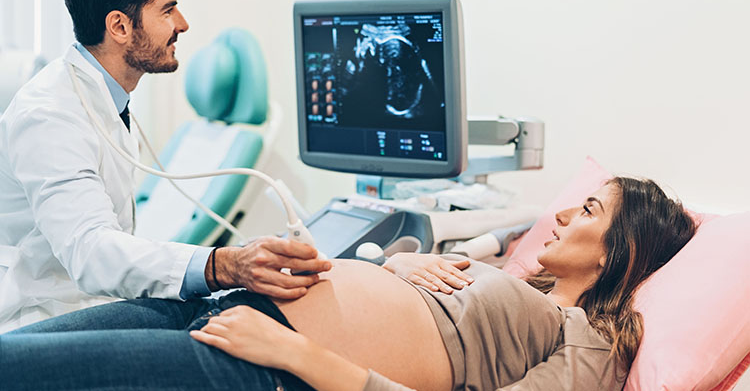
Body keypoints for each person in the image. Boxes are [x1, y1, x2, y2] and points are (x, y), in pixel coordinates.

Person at [0, 177, 696, 390]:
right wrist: (397, 264)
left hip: (263, 362)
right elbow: (465, 242)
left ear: (619, 255)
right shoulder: (525, 288)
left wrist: (298, 357)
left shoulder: (597, 342)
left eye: (591, 212)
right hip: (226, 308)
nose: (565, 213)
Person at [0, 0, 330, 333]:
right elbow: (91, 253)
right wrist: (223, 266)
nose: (183, 24)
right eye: (168, 10)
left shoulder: (106, 100)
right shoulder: (50, 116)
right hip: (40, 320)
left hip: (91, 304)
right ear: (120, 27)